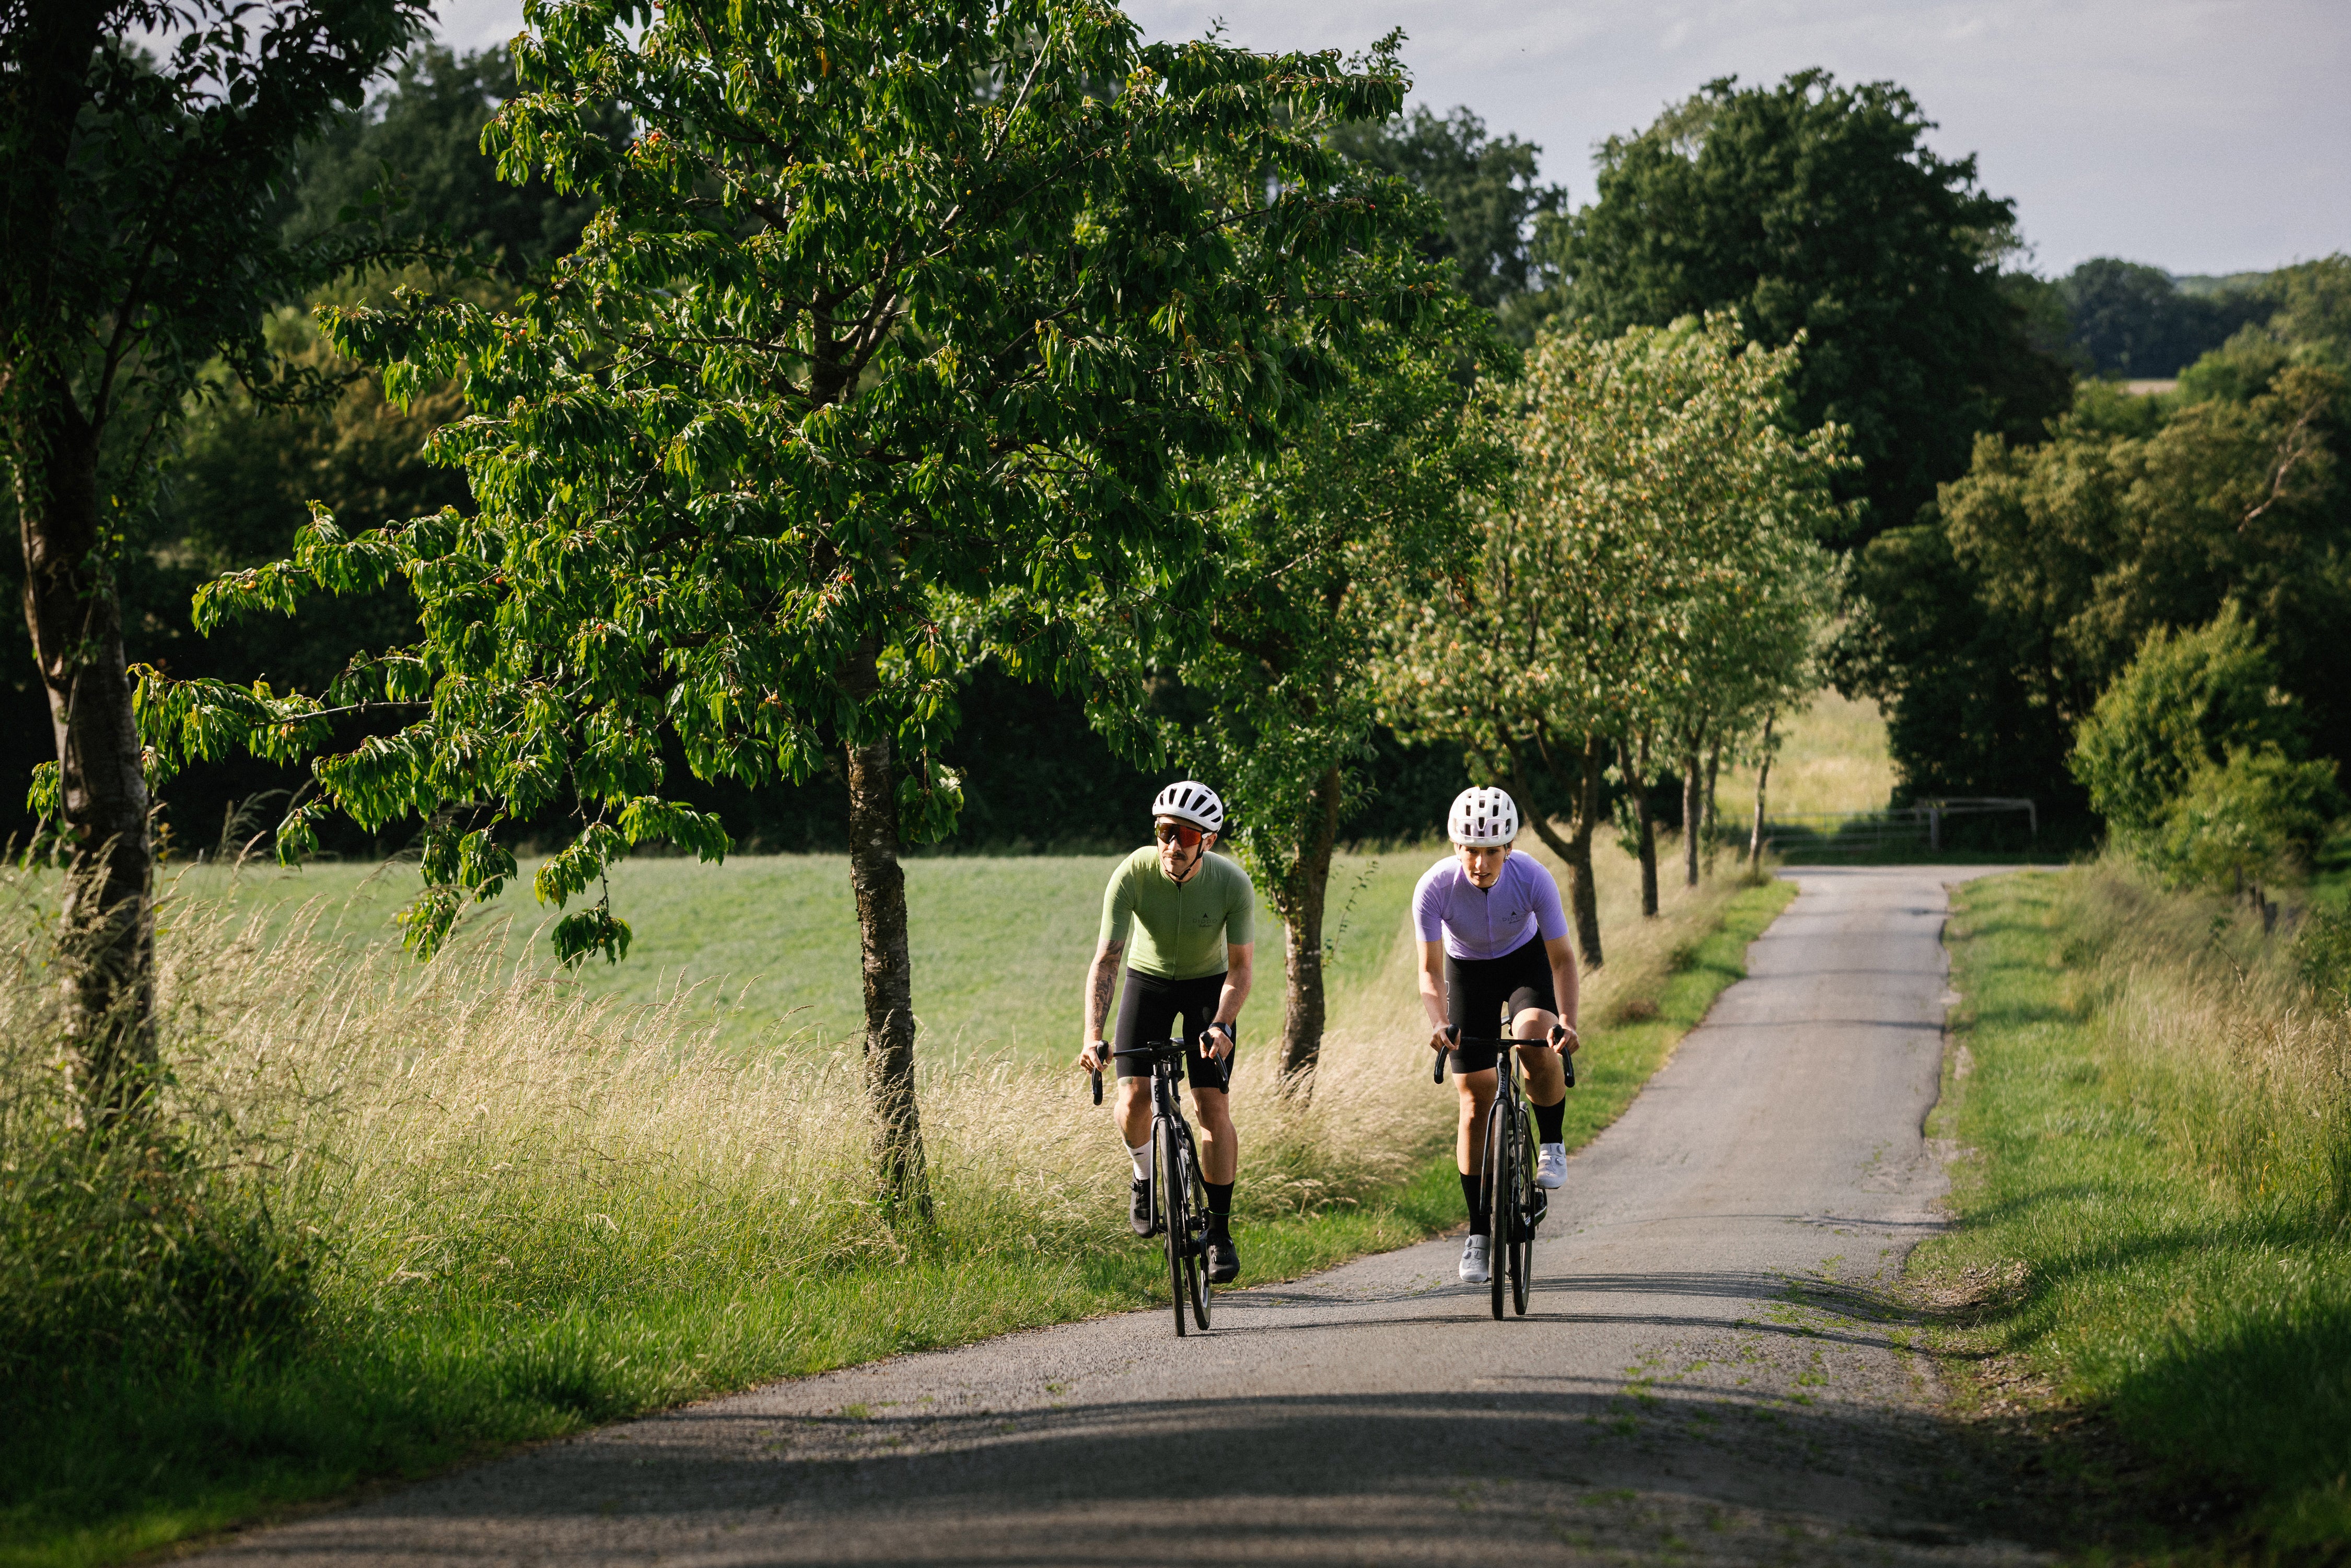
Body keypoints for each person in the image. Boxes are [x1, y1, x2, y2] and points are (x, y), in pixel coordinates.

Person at [1078, 781, 1255, 1284]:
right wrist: (1093, 1033)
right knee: (1134, 1098)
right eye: (1164, 831)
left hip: (1208, 987)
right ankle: (1143, 1174)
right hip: (1148, 981)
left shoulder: (1232, 883)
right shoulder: (1132, 873)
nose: (1173, 844)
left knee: (1211, 1106)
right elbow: (1107, 960)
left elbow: (1241, 969)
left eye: (1186, 835)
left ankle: (1219, 1232)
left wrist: (1221, 1023)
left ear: (1208, 841)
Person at [1414, 785, 1581, 1285]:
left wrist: (1568, 1020)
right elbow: (1430, 971)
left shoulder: (1533, 877)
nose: (1480, 863)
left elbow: (1562, 959)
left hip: (1524, 963)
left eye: (1491, 851)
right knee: (1474, 1097)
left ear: (1509, 847)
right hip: (1467, 973)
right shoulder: (1435, 887)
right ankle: (1479, 1232)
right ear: (1456, 845)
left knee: (1533, 1036)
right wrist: (1438, 1021)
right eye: (1470, 849)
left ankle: (1552, 1141)